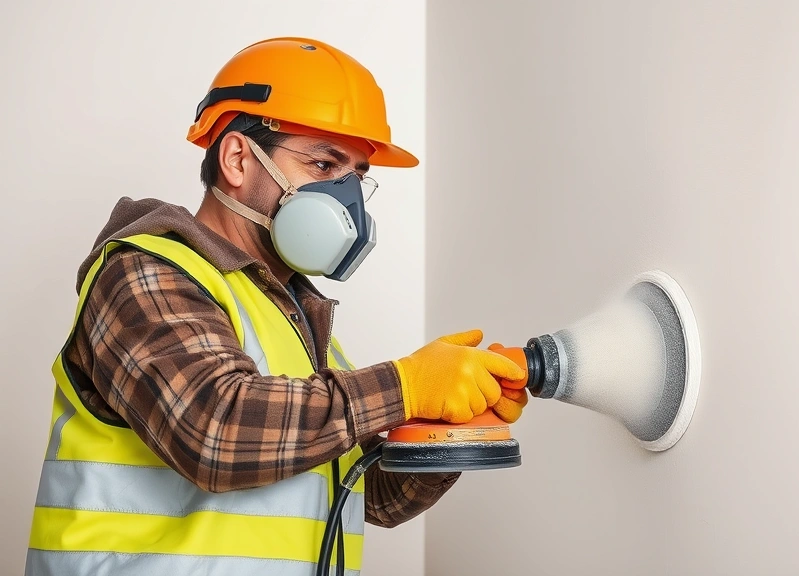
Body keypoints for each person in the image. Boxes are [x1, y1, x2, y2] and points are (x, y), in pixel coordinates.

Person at [25, 37, 528, 576]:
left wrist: (443, 422)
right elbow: (214, 430)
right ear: (238, 158)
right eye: (324, 163)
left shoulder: (295, 318)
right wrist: (404, 385)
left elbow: (364, 494)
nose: (347, 196)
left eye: (357, 175)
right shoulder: (145, 273)